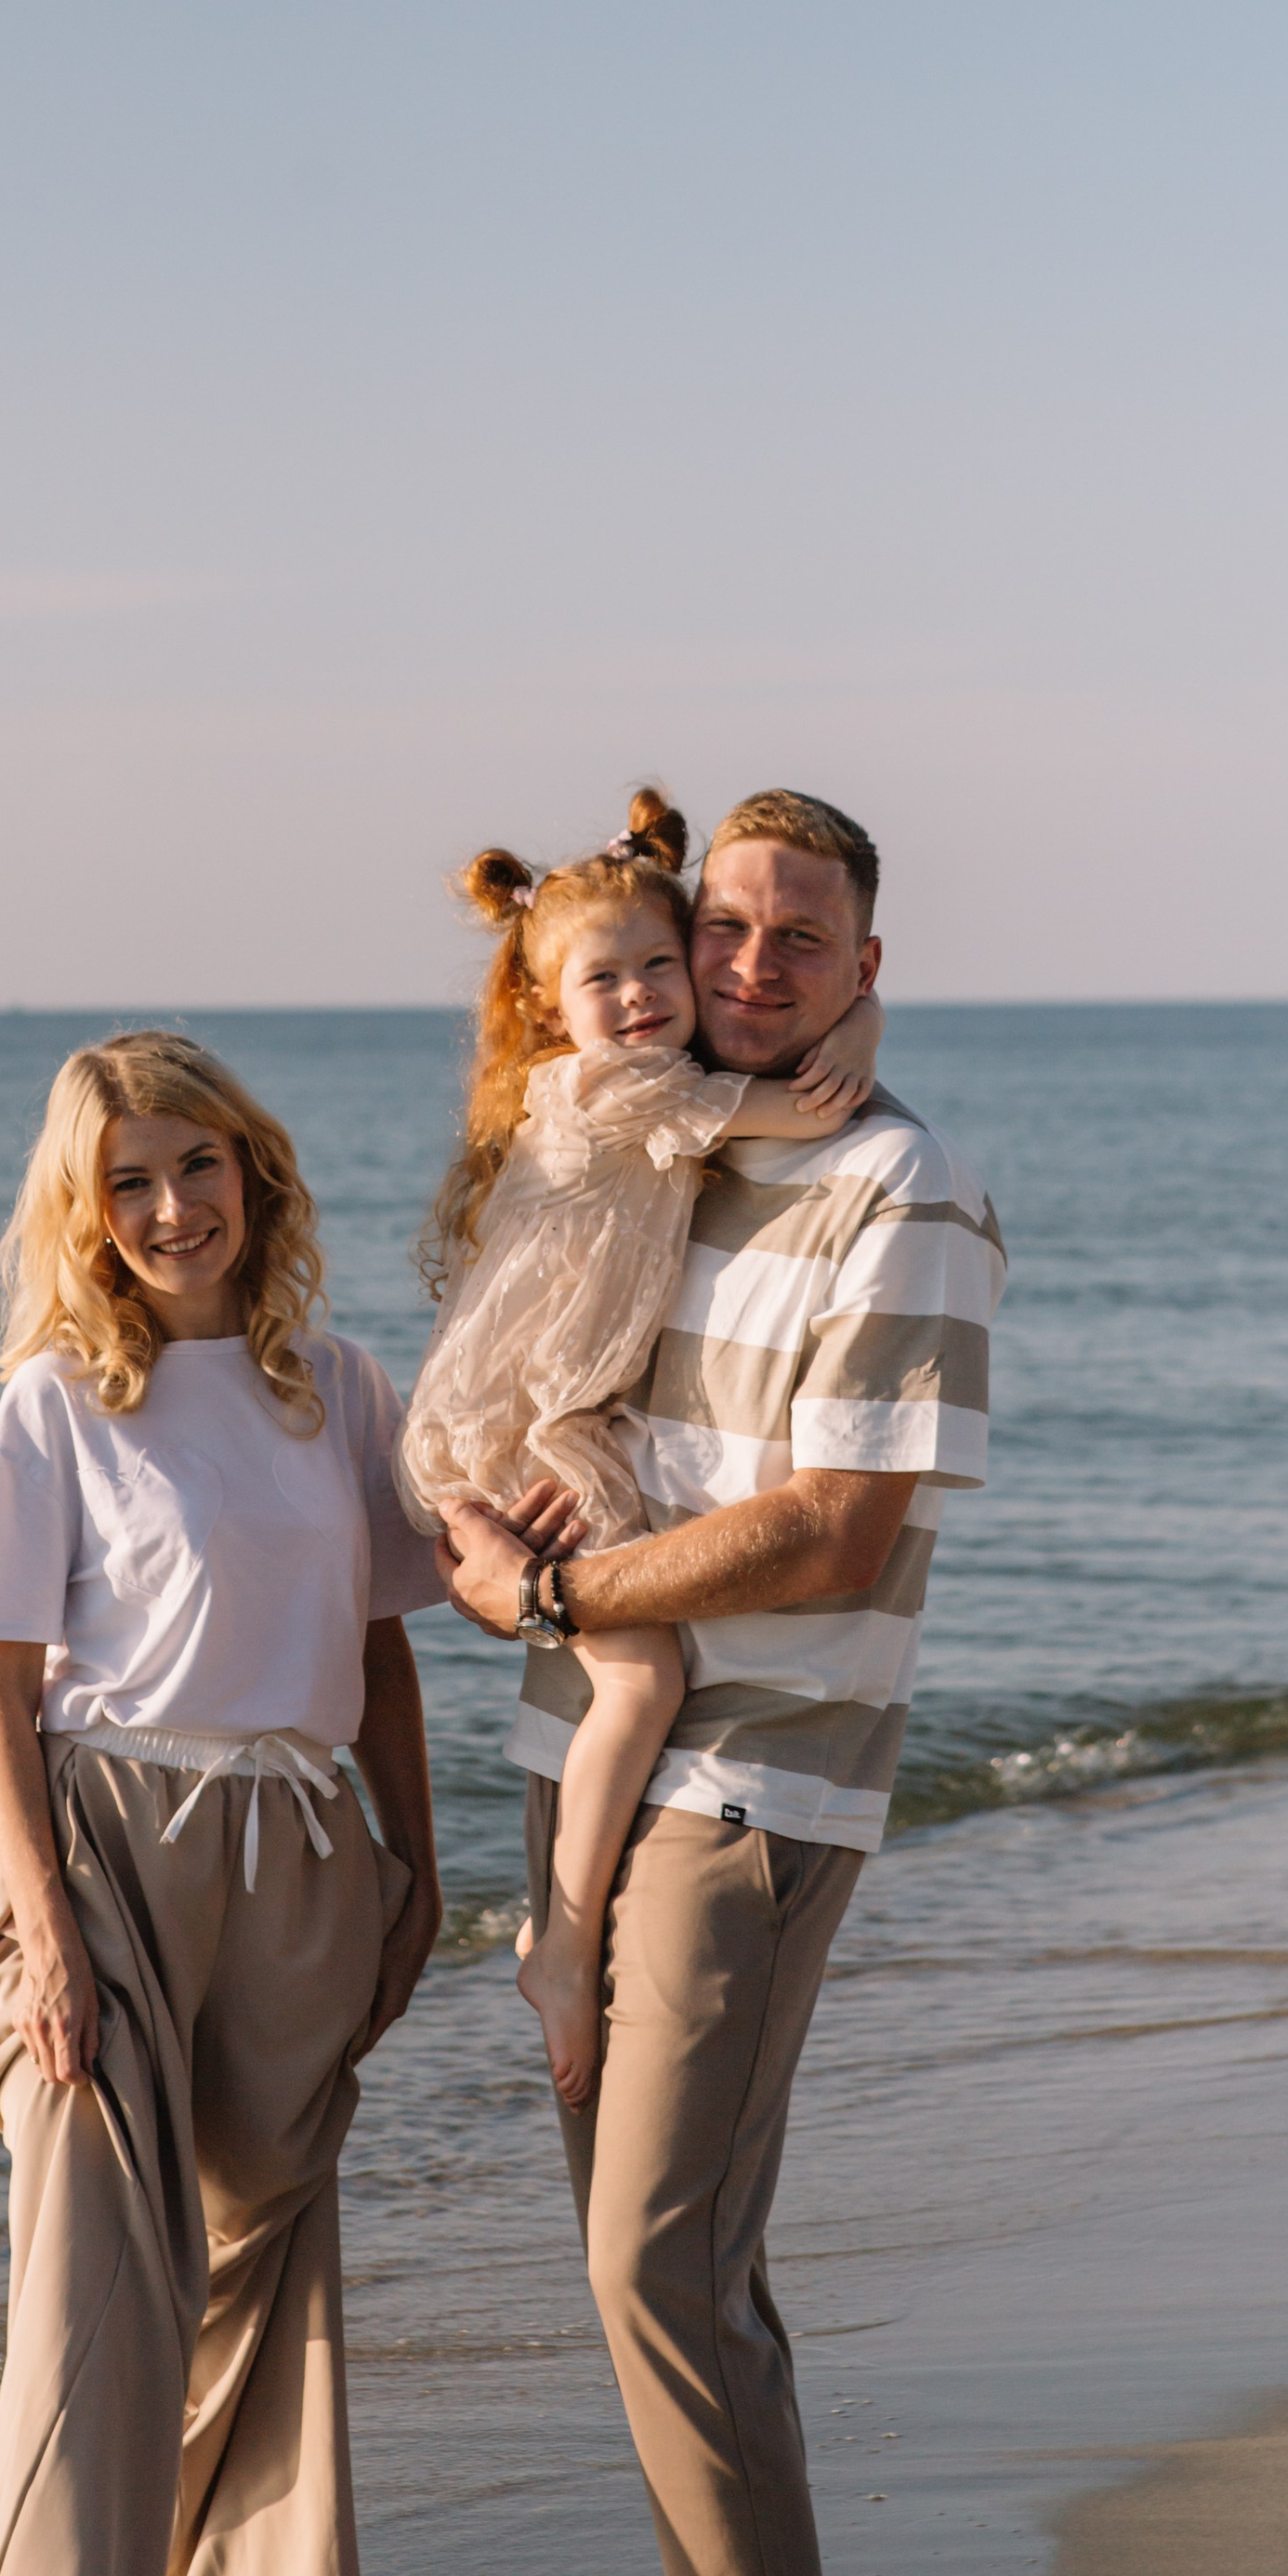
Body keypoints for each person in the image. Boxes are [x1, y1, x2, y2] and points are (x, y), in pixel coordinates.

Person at [440, 793, 1006, 2576]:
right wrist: (490, 1552)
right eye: (730, 928)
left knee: (651, 2265)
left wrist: (554, 1586)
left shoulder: (896, 1187)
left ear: (864, 969)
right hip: (579, 1748)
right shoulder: (666, 1134)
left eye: (797, 938)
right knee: (665, 2267)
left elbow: (835, 1530)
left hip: (755, 1781)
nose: (752, 965)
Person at [0, 1031, 568, 2576]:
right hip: (107, 1857)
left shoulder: (341, 1389)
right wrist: (48, 1925)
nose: (170, 1208)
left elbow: (384, 1646)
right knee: (93, 2303)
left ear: (255, 1172)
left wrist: (418, 1864)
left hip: (303, 1861)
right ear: (85, 1212)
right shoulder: (57, 1409)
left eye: (196, 1167)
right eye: (128, 1182)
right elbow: (0, 1691)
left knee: (248, 2289)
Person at [401, 786, 881, 2105]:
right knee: (644, 1682)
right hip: (520, 1424)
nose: (639, 998)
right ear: (550, 1008)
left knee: (633, 1675)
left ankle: (571, 1927)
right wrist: (864, 1018)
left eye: (660, 964)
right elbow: (801, 1111)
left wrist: (863, 1009)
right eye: (600, 979)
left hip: (539, 1410)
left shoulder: (656, 1081)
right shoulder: (607, 1093)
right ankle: (559, 1943)